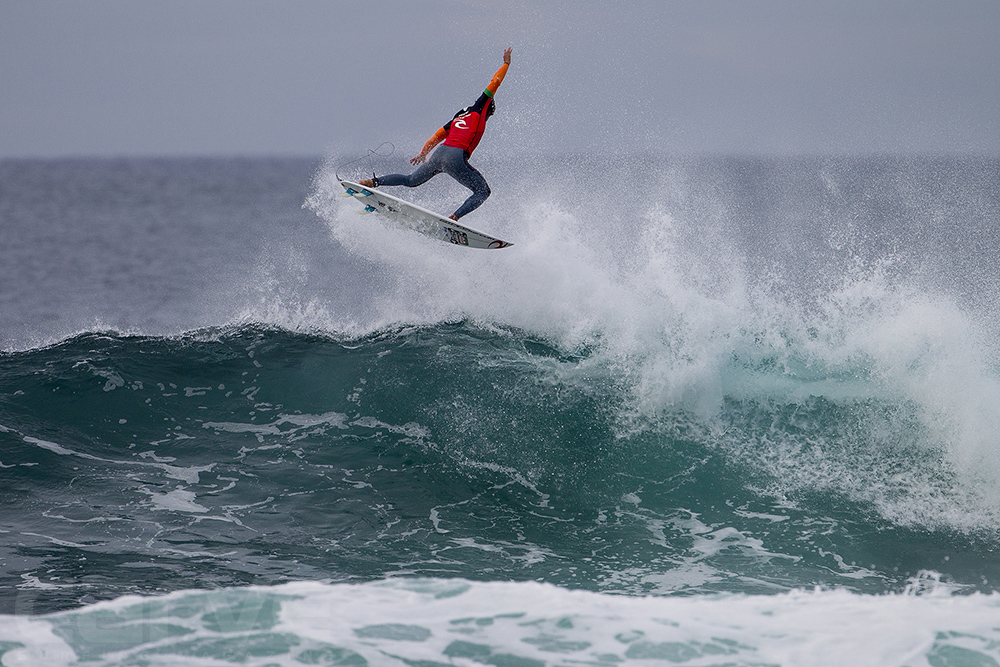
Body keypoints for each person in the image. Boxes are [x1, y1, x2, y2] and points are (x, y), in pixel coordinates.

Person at [360, 48, 512, 221]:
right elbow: (496, 81)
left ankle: (372, 182)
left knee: (410, 180)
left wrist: (423, 153)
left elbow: (437, 136)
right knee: (483, 192)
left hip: (439, 153)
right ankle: (454, 218)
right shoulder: (481, 107)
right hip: (455, 157)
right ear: (488, 110)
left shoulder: (459, 116)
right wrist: (506, 63)